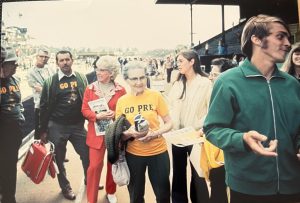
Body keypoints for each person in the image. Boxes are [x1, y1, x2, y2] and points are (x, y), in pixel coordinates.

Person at [203, 14, 300, 203]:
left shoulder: (292, 84)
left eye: (288, 37)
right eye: (280, 36)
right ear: (256, 39)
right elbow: (212, 129)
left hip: (293, 185)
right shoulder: (227, 81)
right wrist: (242, 139)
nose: (288, 43)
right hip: (247, 187)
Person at [115, 61, 173, 203]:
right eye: (134, 79)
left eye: (142, 77)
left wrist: (155, 133)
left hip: (158, 153)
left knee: (163, 195)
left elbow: (170, 122)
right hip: (134, 155)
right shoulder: (122, 101)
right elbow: (118, 133)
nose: (139, 82)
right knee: (136, 196)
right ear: (126, 80)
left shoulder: (155, 96)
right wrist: (130, 134)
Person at [39, 50, 89, 200]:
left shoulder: (81, 77)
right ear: (57, 63)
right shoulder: (50, 82)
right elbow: (43, 107)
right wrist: (42, 130)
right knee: (59, 159)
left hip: (77, 126)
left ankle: (89, 178)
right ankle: (65, 187)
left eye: (67, 59)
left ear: (72, 60)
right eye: (61, 60)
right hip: (57, 126)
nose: (65, 62)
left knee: (88, 154)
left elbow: (87, 99)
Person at [168, 49, 211, 203]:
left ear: (192, 61)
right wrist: (174, 128)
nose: (177, 64)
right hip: (178, 135)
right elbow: (170, 107)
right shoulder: (178, 84)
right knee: (178, 172)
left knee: (197, 174)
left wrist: (201, 128)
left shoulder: (205, 83)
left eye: (181, 61)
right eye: (177, 61)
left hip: (196, 136)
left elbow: (211, 109)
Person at [82, 55, 126, 203]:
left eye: (102, 70)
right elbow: (84, 110)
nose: (98, 72)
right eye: (97, 69)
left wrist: (115, 114)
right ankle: (91, 199)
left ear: (111, 72)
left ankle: (111, 191)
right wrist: (97, 116)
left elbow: (125, 111)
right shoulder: (90, 88)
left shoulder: (121, 90)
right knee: (94, 167)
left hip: (114, 134)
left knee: (112, 163)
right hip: (96, 135)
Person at [204, 57, 236, 203]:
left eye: (214, 74)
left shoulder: (231, 94)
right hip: (213, 152)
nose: (210, 77)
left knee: (221, 189)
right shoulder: (213, 91)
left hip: (224, 154)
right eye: (211, 73)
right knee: (216, 186)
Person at [0, 45, 24, 203]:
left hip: (14, 131)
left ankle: (9, 197)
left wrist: (20, 116)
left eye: (16, 64)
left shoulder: (15, 79)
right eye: (12, 64)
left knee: (10, 165)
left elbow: (18, 101)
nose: (15, 66)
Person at [26, 48, 55, 139]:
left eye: (46, 57)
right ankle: (38, 152)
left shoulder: (50, 69)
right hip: (41, 106)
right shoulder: (31, 72)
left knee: (53, 131)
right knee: (40, 132)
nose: (43, 59)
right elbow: (41, 90)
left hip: (53, 105)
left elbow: (55, 84)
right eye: (41, 56)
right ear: (36, 57)